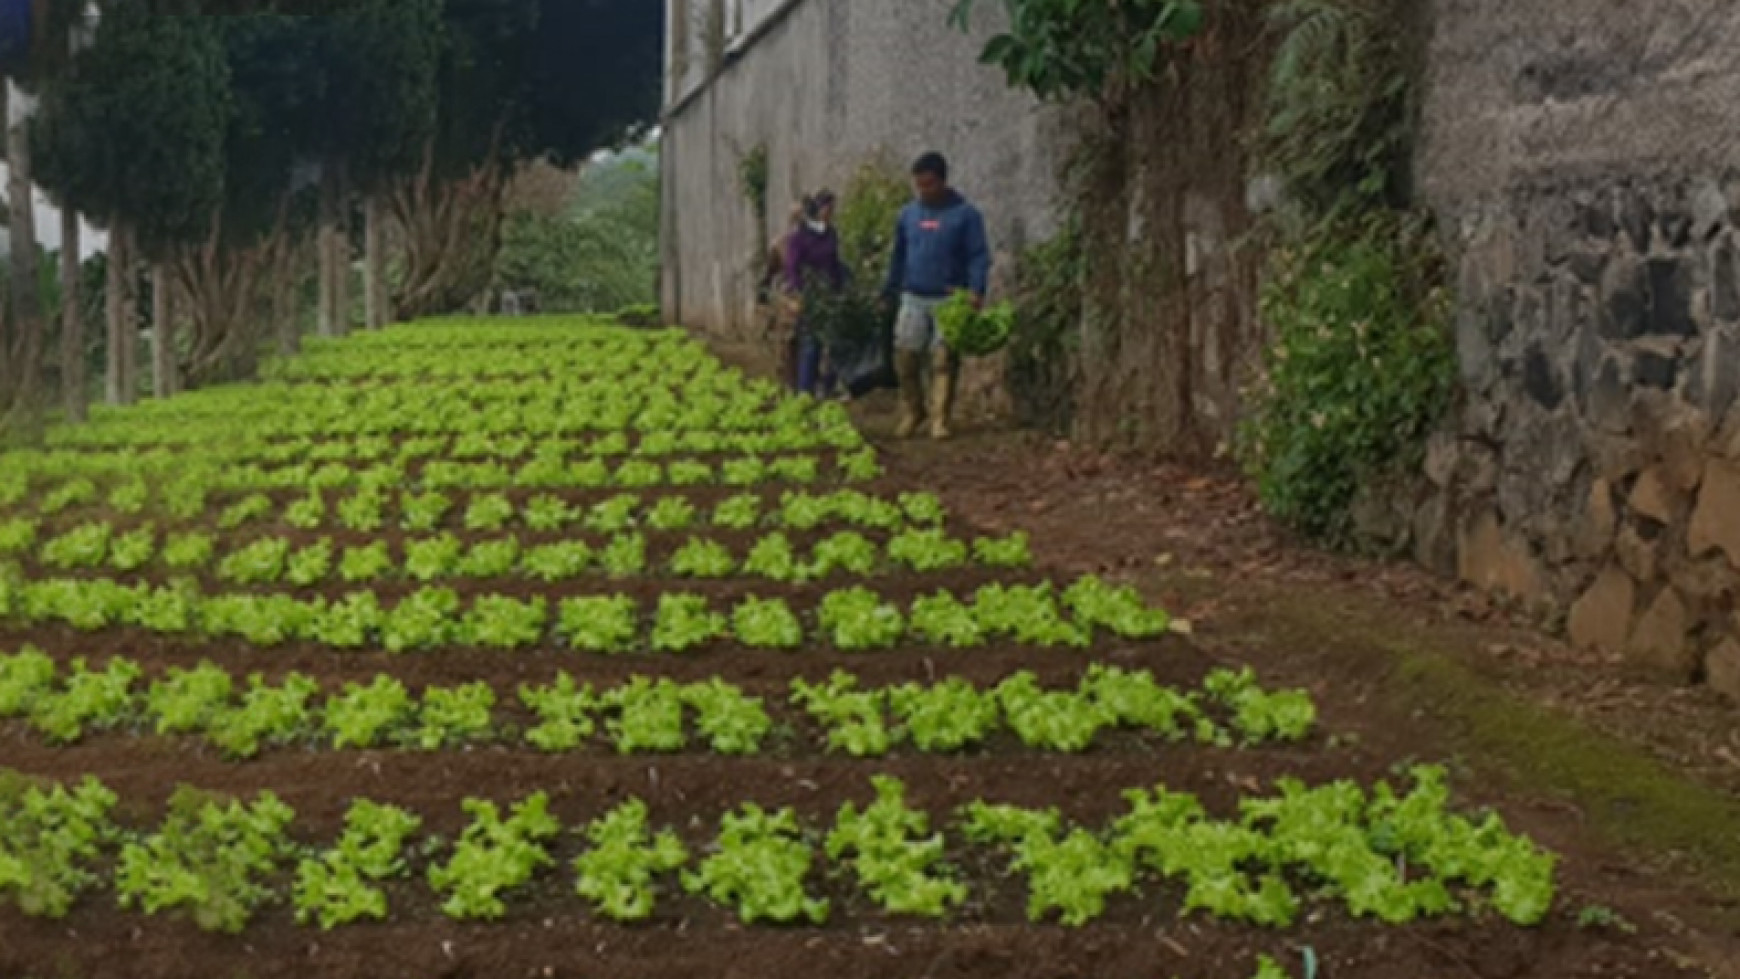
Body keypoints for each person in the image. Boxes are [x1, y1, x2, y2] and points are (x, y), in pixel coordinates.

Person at [882, 151, 991, 440]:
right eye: (919, 186)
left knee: (943, 358)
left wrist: (975, 290)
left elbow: (978, 256)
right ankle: (912, 411)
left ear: (942, 182)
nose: (924, 191)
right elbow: (899, 255)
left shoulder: (965, 215)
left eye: (929, 185)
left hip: (949, 298)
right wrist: (888, 289)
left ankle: (939, 418)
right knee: (906, 355)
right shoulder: (908, 214)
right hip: (913, 295)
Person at [784, 190, 850, 398]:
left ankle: (828, 387)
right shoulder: (799, 238)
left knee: (835, 344)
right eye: (827, 208)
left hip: (830, 296)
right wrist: (798, 294)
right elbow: (793, 267)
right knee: (811, 345)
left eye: (832, 208)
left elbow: (835, 264)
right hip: (811, 297)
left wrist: (843, 289)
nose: (830, 213)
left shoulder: (830, 234)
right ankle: (805, 392)